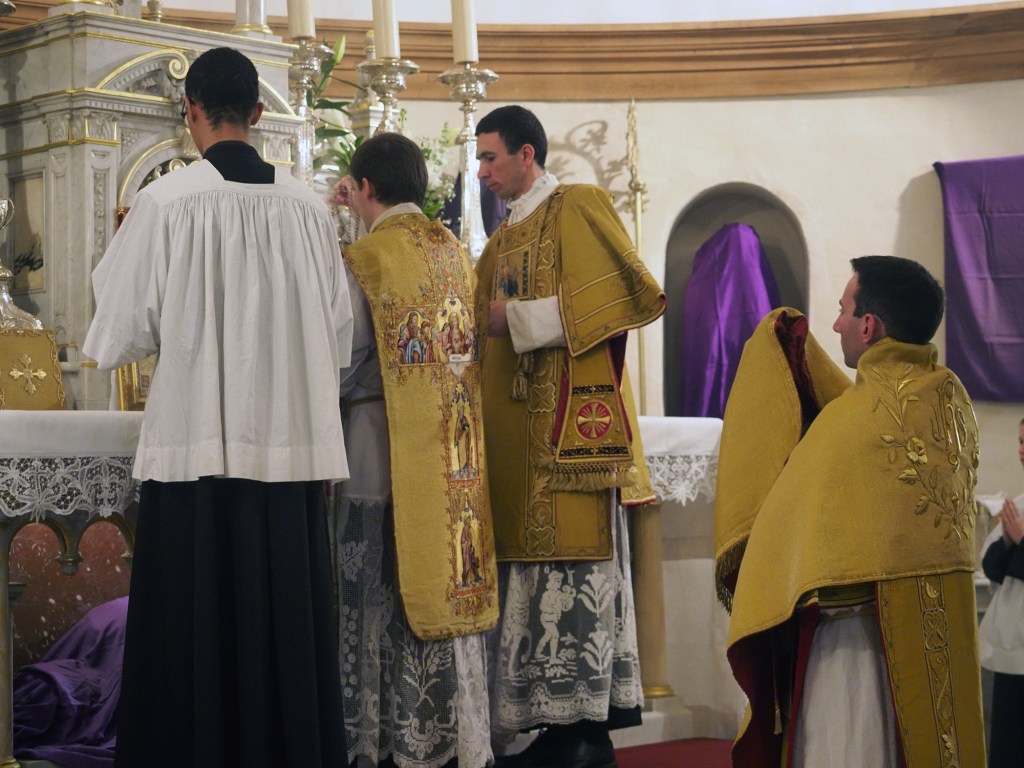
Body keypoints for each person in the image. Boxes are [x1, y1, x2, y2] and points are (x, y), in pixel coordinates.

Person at [82, 47, 352, 768]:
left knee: (191, 624)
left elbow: (116, 331)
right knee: (283, 622)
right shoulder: (309, 210)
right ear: (258, 114)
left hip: (195, 452)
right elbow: (338, 335)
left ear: (190, 110)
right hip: (289, 456)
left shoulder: (165, 202)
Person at [714, 255, 986, 768]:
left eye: (843, 310)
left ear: (869, 325)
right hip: (941, 634)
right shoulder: (951, 399)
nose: (836, 324)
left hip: (855, 652)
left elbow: (779, 536)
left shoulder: (847, 424)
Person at [473, 105, 665, 768]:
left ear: (527, 154)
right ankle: (552, 728)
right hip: (516, 443)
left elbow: (628, 295)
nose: (482, 170)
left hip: (567, 440)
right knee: (530, 582)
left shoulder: (577, 206)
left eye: (491, 156)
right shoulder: (501, 238)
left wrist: (516, 319)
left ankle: (584, 732)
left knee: (573, 571)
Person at [333, 132, 499, 768]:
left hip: (379, 445)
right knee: (445, 581)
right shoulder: (452, 249)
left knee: (378, 592)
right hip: (454, 453)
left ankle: (380, 737)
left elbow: (344, 357)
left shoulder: (367, 258)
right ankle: (448, 734)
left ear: (365, 188)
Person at [980, 417, 1024, 768]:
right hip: (1014, 650)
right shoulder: (1019, 504)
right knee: (1009, 745)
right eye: (1021, 442)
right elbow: (990, 565)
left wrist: (1020, 542)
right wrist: (1008, 543)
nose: (1022, 450)